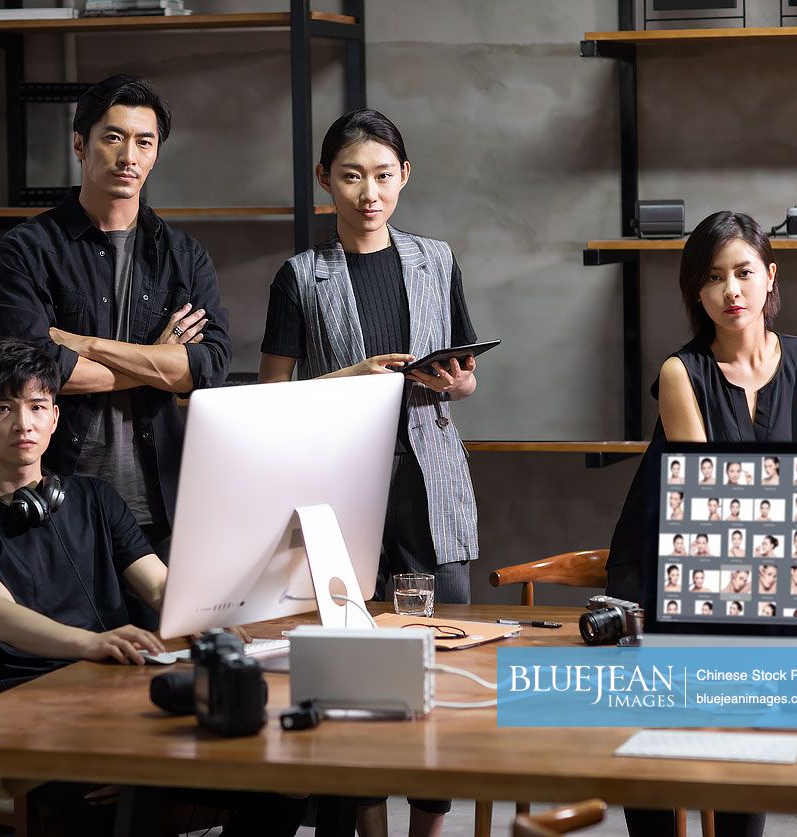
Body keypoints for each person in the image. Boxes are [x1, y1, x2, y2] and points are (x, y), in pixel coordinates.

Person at [0, 338, 302, 835]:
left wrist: (213, 618)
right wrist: (93, 643)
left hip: (119, 695)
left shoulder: (96, 498)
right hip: (32, 707)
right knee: (114, 799)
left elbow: (161, 587)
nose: (24, 424)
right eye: (3, 409)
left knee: (284, 783)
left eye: (37, 407)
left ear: (55, 417)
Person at [256, 115, 480, 837]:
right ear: (325, 181)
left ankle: (427, 831)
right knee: (355, 669)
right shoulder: (299, 276)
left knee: (441, 661)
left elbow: (464, 376)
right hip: (341, 487)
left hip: (430, 479)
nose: (368, 192)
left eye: (383, 175)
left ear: (404, 176)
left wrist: (455, 383)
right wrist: (348, 377)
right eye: (351, 175)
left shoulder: (435, 260)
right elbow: (269, 399)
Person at [0, 74, 231, 586]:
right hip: (52, 496)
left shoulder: (183, 257)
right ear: (80, 143)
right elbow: (35, 374)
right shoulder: (28, 249)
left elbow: (205, 369)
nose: (128, 156)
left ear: (156, 153)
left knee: (161, 654)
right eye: (112, 137)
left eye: (145, 142)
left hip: (160, 504)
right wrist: (155, 363)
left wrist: (85, 344)